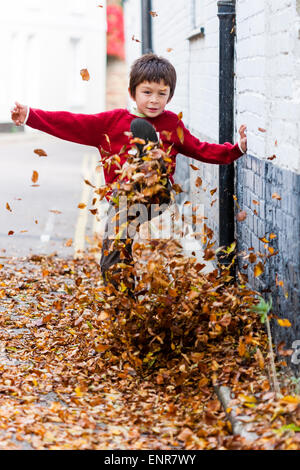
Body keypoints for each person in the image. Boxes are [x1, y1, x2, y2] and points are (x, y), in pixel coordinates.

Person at [11, 53, 247, 297]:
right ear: (132, 92)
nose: (154, 100)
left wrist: (236, 149)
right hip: (122, 201)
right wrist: (31, 115)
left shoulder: (172, 124)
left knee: (151, 169)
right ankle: (124, 303)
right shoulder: (111, 123)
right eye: (147, 92)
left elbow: (201, 149)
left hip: (158, 196)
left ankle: (149, 157)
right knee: (112, 255)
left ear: (170, 96)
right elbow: (71, 122)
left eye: (161, 94)